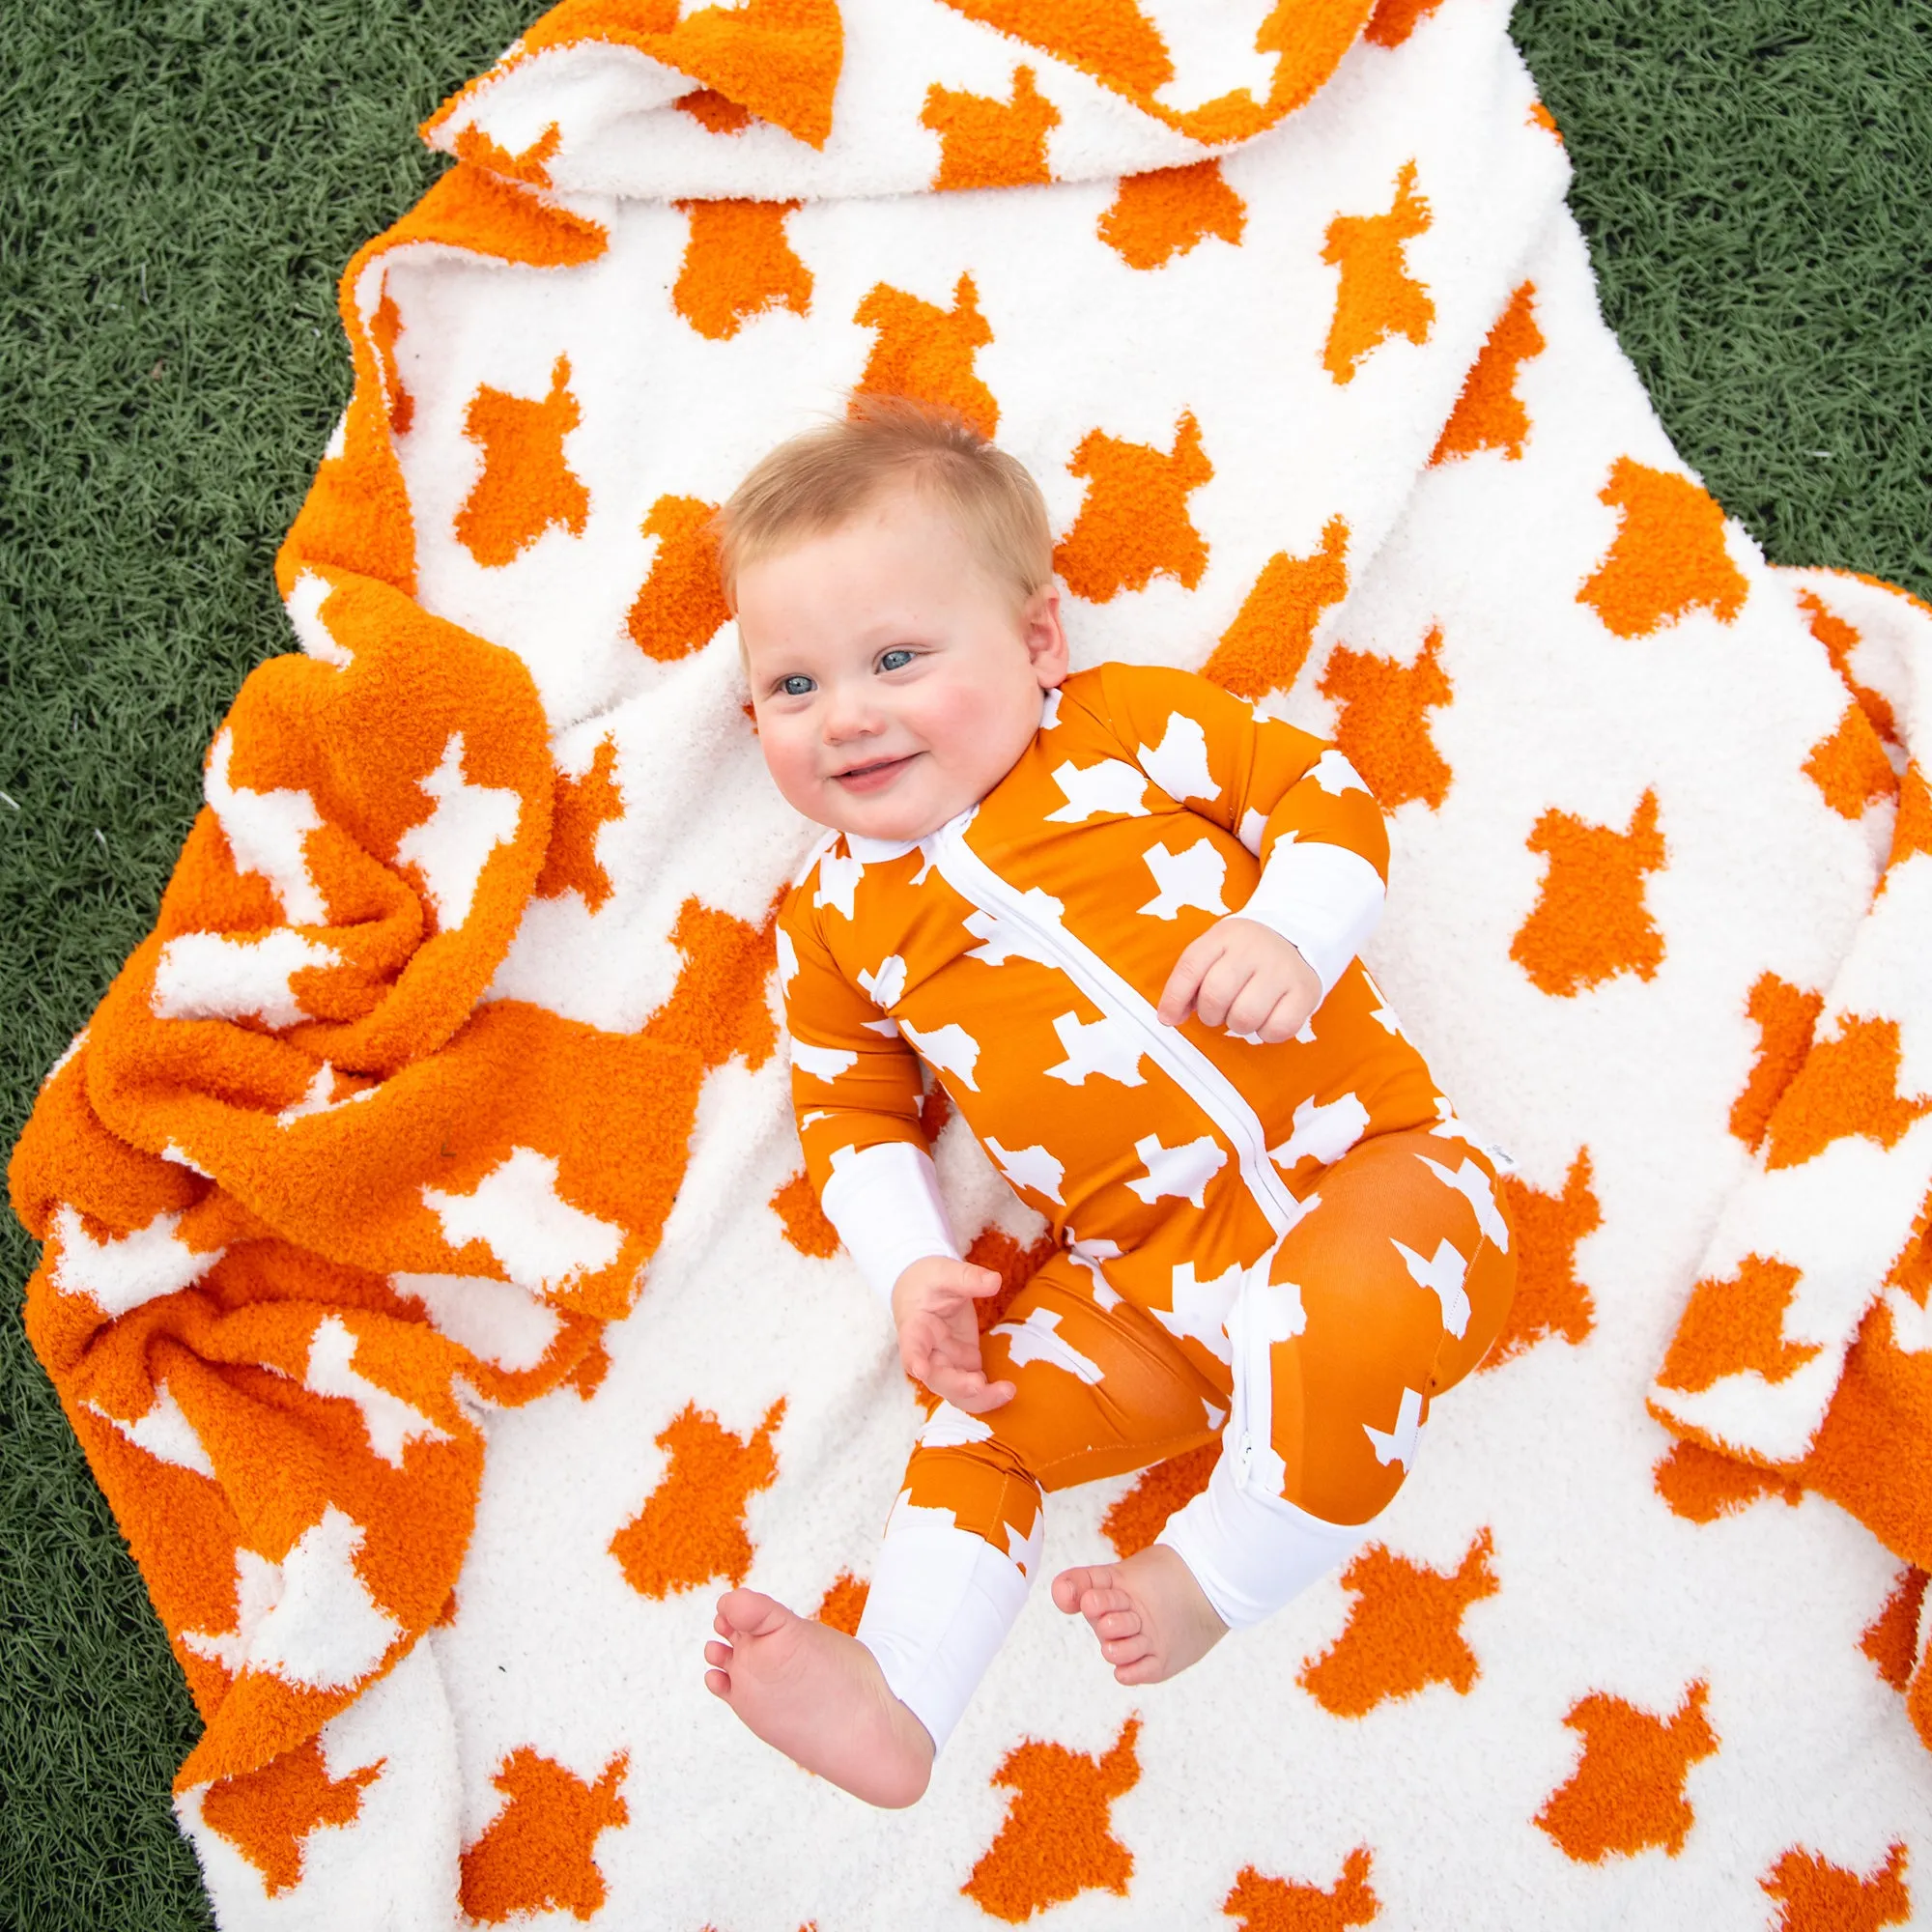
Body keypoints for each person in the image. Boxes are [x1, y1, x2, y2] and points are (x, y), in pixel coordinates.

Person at [700, 395, 1516, 1806]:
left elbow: (1317, 792)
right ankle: (903, 1689)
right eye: (792, 688)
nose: (847, 716)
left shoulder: (1123, 736)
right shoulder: (835, 923)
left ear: (1036, 643)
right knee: (978, 1419)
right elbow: (847, 1114)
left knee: (1323, 1313)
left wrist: (1292, 933)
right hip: (1148, 1287)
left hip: (1386, 1184)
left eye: (895, 657)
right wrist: (912, 1275)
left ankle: (1223, 1568)